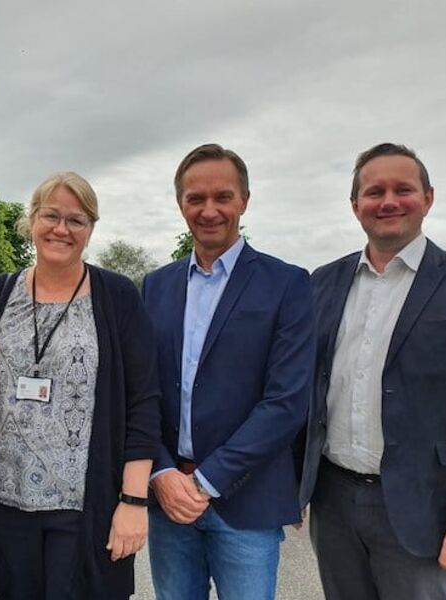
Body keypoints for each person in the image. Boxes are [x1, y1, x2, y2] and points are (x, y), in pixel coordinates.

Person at [298, 143, 446, 599]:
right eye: (374, 191)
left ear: (428, 198)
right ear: (356, 205)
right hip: (334, 502)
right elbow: (307, 392)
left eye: (403, 189)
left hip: (426, 512)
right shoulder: (322, 283)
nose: (389, 201)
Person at [142, 143, 315, 600]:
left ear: (244, 200)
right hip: (169, 502)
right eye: (195, 199)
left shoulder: (288, 284)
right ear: (181, 204)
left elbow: (286, 402)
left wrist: (204, 481)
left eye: (223, 196)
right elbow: (141, 394)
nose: (209, 210)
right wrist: (161, 473)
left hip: (246, 503)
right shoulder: (155, 287)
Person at [0, 172, 161, 600]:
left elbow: (144, 400)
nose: (62, 229)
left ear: (91, 229)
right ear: (32, 221)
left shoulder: (116, 295)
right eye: (51, 216)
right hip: (5, 503)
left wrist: (133, 503)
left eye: (76, 220)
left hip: (83, 508)